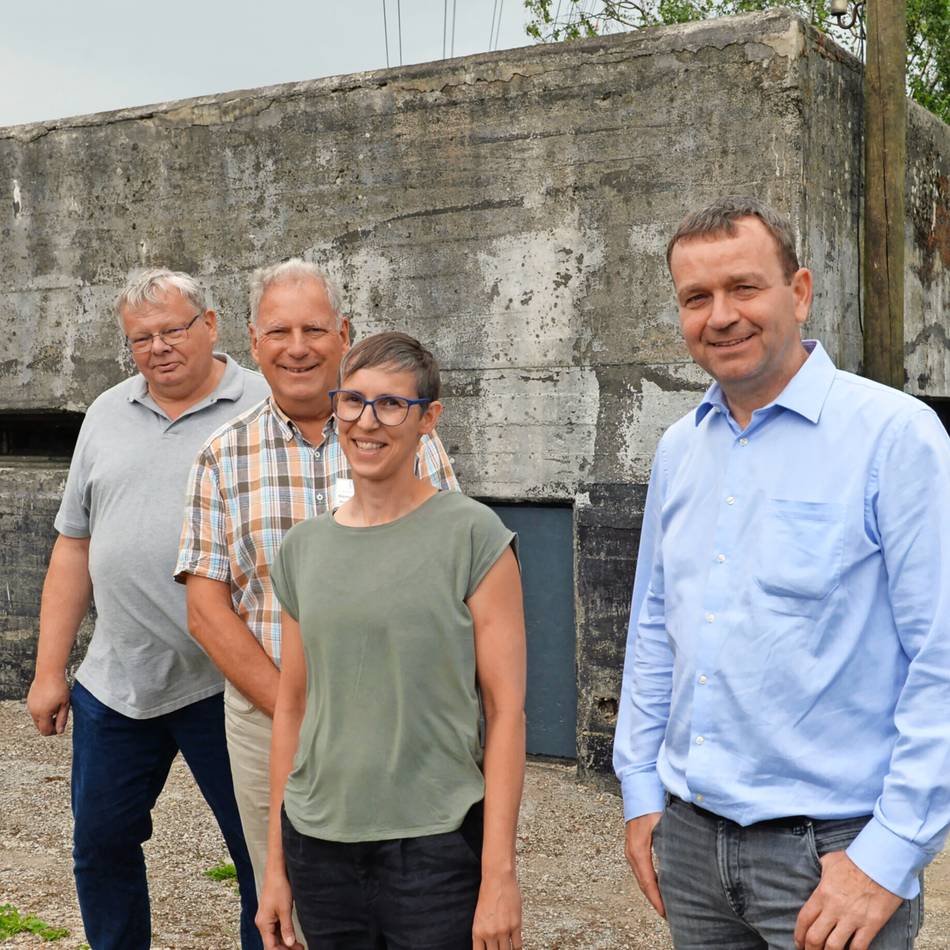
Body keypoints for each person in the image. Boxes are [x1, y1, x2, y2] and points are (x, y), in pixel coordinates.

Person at [613, 196, 950, 950]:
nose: (720, 315)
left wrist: (888, 857)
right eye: (696, 298)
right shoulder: (679, 450)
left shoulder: (895, 439)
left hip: (830, 855)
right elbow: (655, 631)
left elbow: (944, 660)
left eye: (744, 287)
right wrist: (640, 790)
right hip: (692, 847)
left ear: (798, 292)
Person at [175, 260, 459, 898]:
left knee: (411, 900)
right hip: (270, 721)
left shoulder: (407, 436)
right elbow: (207, 612)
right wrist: (296, 714)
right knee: (295, 903)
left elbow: (450, 577)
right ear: (253, 341)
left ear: (344, 335)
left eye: (314, 329)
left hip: (401, 720)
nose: (297, 348)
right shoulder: (220, 457)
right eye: (279, 332)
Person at [256, 331, 526, 949]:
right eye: (352, 401)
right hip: (319, 846)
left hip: (434, 848)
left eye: (391, 404)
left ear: (428, 419)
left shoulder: (474, 537)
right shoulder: (302, 549)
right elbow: (292, 708)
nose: (366, 421)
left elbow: (506, 712)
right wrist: (275, 869)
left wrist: (498, 874)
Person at [26, 268, 266, 950]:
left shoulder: (263, 404)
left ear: (211, 325)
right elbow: (74, 546)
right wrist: (50, 669)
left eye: (173, 330)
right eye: (141, 338)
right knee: (99, 847)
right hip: (117, 679)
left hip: (229, 680)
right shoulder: (106, 412)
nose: (159, 347)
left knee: (262, 855)